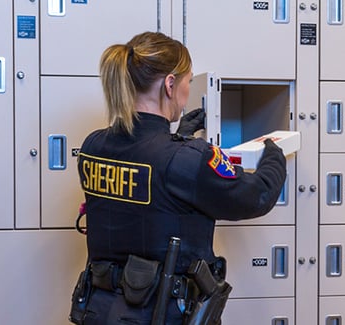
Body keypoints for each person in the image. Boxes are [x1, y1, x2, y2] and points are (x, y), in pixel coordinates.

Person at [74, 31, 286, 324]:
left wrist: (180, 137)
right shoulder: (188, 158)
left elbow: (147, 192)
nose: (187, 95)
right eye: (187, 82)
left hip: (102, 310)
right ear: (170, 84)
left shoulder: (93, 146)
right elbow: (255, 197)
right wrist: (275, 155)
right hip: (161, 314)